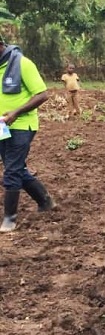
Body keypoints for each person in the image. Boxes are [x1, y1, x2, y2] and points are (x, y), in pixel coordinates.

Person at [0, 37, 55, 233]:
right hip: (2, 127)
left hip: (22, 125)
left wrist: (15, 112)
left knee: (12, 171)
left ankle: (9, 219)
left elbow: (42, 94)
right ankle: (44, 200)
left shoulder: (22, 63)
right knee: (14, 167)